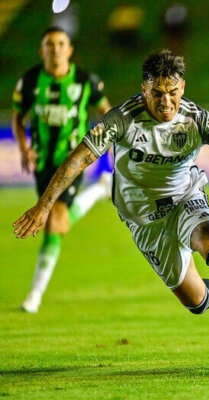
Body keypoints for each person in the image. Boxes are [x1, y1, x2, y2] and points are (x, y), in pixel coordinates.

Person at [13, 49, 209, 357]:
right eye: (157, 93)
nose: (166, 102)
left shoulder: (196, 119)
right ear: (144, 89)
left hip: (185, 197)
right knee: (196, 301)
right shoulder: (123, 119)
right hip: (144, 220)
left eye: (173, 93)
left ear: (183, 88)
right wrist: (44, 205)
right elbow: (80, 158)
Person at [12, 26, 113, 313]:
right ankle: (99, 191)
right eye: (49, 44)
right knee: (60, 222)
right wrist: (23, 148)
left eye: (60, 44)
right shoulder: (30, 81)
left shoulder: (85, 81)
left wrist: (104, 139)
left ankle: (34, 295)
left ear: (69, 49)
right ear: (41, 50)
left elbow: (106, 112)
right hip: (42, 163)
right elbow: (18, 119)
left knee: (54, 221)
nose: (55, 49)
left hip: (72, 161)